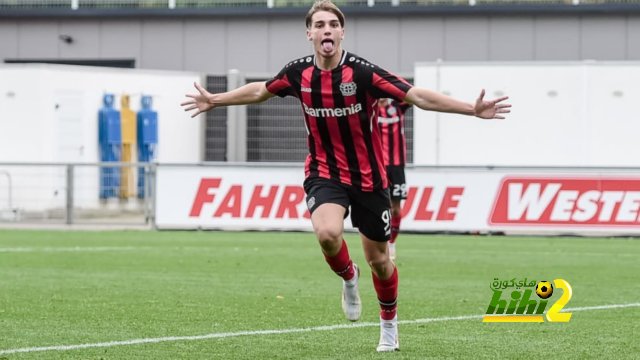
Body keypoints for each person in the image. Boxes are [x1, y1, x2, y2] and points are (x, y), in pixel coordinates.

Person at [181, 0, 510, 352]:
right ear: (309, 33)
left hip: (369, 178)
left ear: (341, 32)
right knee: (327, 233)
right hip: (324, 172)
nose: (327, 29)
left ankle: (389, 327)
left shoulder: (363, 73)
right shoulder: (297, 74)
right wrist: (215, 100)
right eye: (319, 24)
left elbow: (416, 96)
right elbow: (260, 90)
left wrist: (470, 110)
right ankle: (348, 276)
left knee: (380, 262)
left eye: (333, 24)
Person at [377, 98, 411, 261]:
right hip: (377, 166)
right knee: (379, 207)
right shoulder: (370, 106)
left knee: (395, 208)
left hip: (397, 166)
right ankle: (379, 243)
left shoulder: (398, 106)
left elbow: (412, 93)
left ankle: (391, 244)